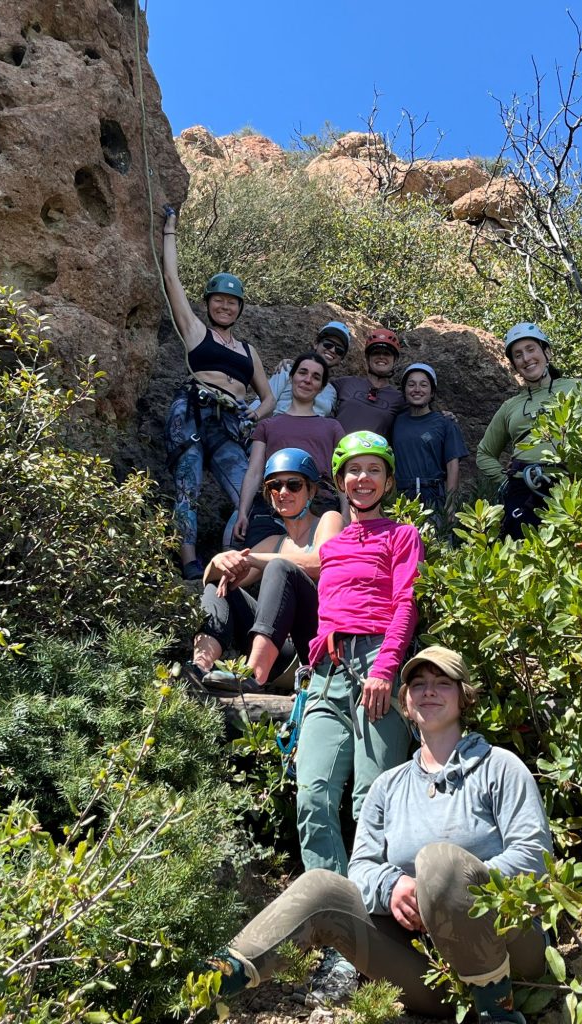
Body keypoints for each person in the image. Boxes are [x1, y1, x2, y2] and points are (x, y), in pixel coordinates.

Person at [205, 645, 553, 1024]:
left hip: (512, 965)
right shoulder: (387, 787)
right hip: (436, 981)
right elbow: (363, 870)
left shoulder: (499, 767)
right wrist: (394, 888)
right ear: (404, 701)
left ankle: (497, 1014)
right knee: (322, 886)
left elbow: (534, 858)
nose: (429, 691)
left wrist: (440, 892)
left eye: (442, 683)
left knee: (439, 862)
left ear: (463, 696)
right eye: (418, 684)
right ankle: (206, 983)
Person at [286, 430, 423, 1001]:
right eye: (351, 471)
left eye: (373, 471)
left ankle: (375, 939)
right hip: (327, 671)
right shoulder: (334, 546)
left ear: (387, 481)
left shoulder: (402, 534)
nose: (361, 479)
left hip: (376, 670)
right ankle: (341, 933)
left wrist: (387, 669)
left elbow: (405, 602)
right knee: (313, 792)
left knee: (372, 802)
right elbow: (299, 575)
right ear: (339, 481)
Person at [161, 205, 275, 579]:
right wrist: (170, 230)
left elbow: (269, 397)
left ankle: (239, 557)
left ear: (240, 308)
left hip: (229, 425)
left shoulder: (248, 352)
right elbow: (172, 280)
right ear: (208, 303)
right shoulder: (195, 332)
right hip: (194, 411)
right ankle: (190, 562)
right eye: (219, 300)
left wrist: (253, 415)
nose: (225, 306)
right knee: (187, 484)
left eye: (232, 302)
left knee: (249, 489)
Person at [182, 448, 342, 694]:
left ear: (311, 489)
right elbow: (212, 579)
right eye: (275, 486)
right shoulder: (274, 542)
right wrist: (219, 562)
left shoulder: (329, 521)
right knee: (221, 585)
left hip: (311, 642)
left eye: (294, 485)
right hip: (281, 651)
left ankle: (253, 674)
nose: (283, 492)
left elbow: (319, 563)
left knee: (280, 567)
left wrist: (255, 558)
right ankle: (199, 668)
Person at [476, 322, 582, 540]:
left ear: (547, 352)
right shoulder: (510, 407)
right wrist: (505, 480)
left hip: (576, 482)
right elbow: (484, 453)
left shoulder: (579, 387)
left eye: (531, 349)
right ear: (514, 364)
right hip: (524, 490)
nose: (526, 358)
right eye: (518, 355)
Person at [234, 352, 346, 544]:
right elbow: (254, 472)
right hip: (273, 504)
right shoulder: (267, 425)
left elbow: (342, 476)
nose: (307, 380)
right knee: (254, 559)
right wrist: (242, 512)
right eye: (303, 373)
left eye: (316, 377)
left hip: (319, 505)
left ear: (321, 388)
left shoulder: (332, 427)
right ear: (292, 377)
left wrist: (345, 515)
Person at [392, 362, 469, 523]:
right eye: (411, 384)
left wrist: (450, 505)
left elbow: (452, 465)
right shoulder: (395, 422)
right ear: (404, 390)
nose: (417, 389)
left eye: (424, 385)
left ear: (432, 392)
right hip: (401, 499)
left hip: (434, 498)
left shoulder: (445, 422)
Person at [255, 321, 351, 417]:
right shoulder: (287, 369)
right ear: (316, 344)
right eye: (328, 344)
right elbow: (263, 401)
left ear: (341, 359)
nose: (332, 350)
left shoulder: (332, 392)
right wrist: (248, 422)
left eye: (339, 350)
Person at [333, 329, 406, 437]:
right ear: (367, 358)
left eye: (387, 353)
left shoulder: (399, 400)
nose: (381, 356)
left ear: (395, 360)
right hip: (337, 451)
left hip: (371, 453)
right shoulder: (345, 383)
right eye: (376, 353)